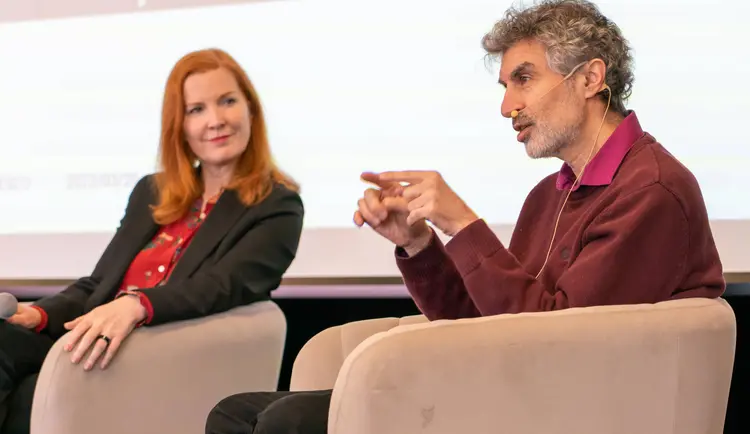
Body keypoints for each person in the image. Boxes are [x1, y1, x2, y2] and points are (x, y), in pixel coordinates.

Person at [204, 0, 725, 433]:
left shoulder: (652, 192)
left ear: (590, 78)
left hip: (568, 408)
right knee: (235, 412)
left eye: (523, 79)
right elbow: (480, 328)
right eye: (504, 87)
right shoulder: (550, 195)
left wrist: (463, 225)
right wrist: (419, 245)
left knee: (287, 421)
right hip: (516, 389)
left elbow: (554, 345)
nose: (507, 107)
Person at [0, 48, 303, 434]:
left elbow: (225, 286)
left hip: (156, 350)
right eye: (197, 109)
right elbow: (98, 286)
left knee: (31, 394)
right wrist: (41, 314)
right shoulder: (152, 191)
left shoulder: (277, 203)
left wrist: (138, 305)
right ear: (179, 124)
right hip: (90, 341)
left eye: (227, 101)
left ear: (251, 110)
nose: (216, 120)